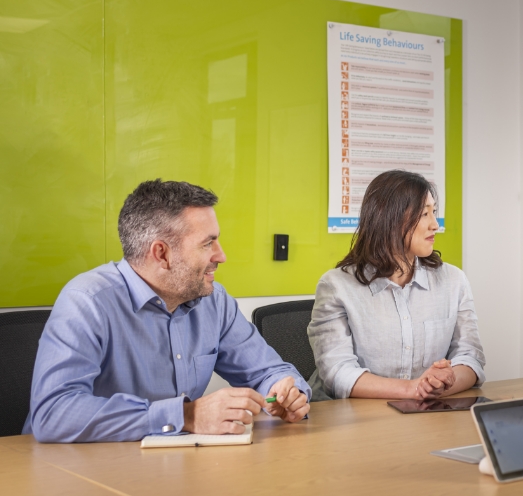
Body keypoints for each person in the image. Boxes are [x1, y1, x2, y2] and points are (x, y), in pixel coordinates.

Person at [26, 180, 312, 443]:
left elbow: (267, 371)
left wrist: (288, 392)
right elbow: (53, 413)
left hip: (177, 467)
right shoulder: (87, 301)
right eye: (207, 243)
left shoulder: (214, 300)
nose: (221, 256)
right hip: (80, 472)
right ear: (161, 253)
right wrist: (186, 416)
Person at [307, 170, 485, 400]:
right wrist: (413, 389)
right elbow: (337, 373)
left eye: (434, 213)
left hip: (427, 414)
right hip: (352, 419)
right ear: (390, 219)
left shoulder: (453, 281)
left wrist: (443, 383)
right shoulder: (336, 286)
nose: (435, 225)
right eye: (424, 214)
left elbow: (471, 357)